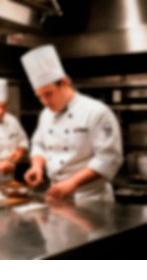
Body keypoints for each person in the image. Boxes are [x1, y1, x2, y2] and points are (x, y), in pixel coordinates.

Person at [20, 45, 122, 203]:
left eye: (48, 94)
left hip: (91, 199)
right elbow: (38, 145)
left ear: (65, 83)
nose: (45, 102)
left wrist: (73, 183)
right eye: (39, 96)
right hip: (56, 197)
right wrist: (37, 166)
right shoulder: (45, 115)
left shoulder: (96, 112)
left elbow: (108, 158)